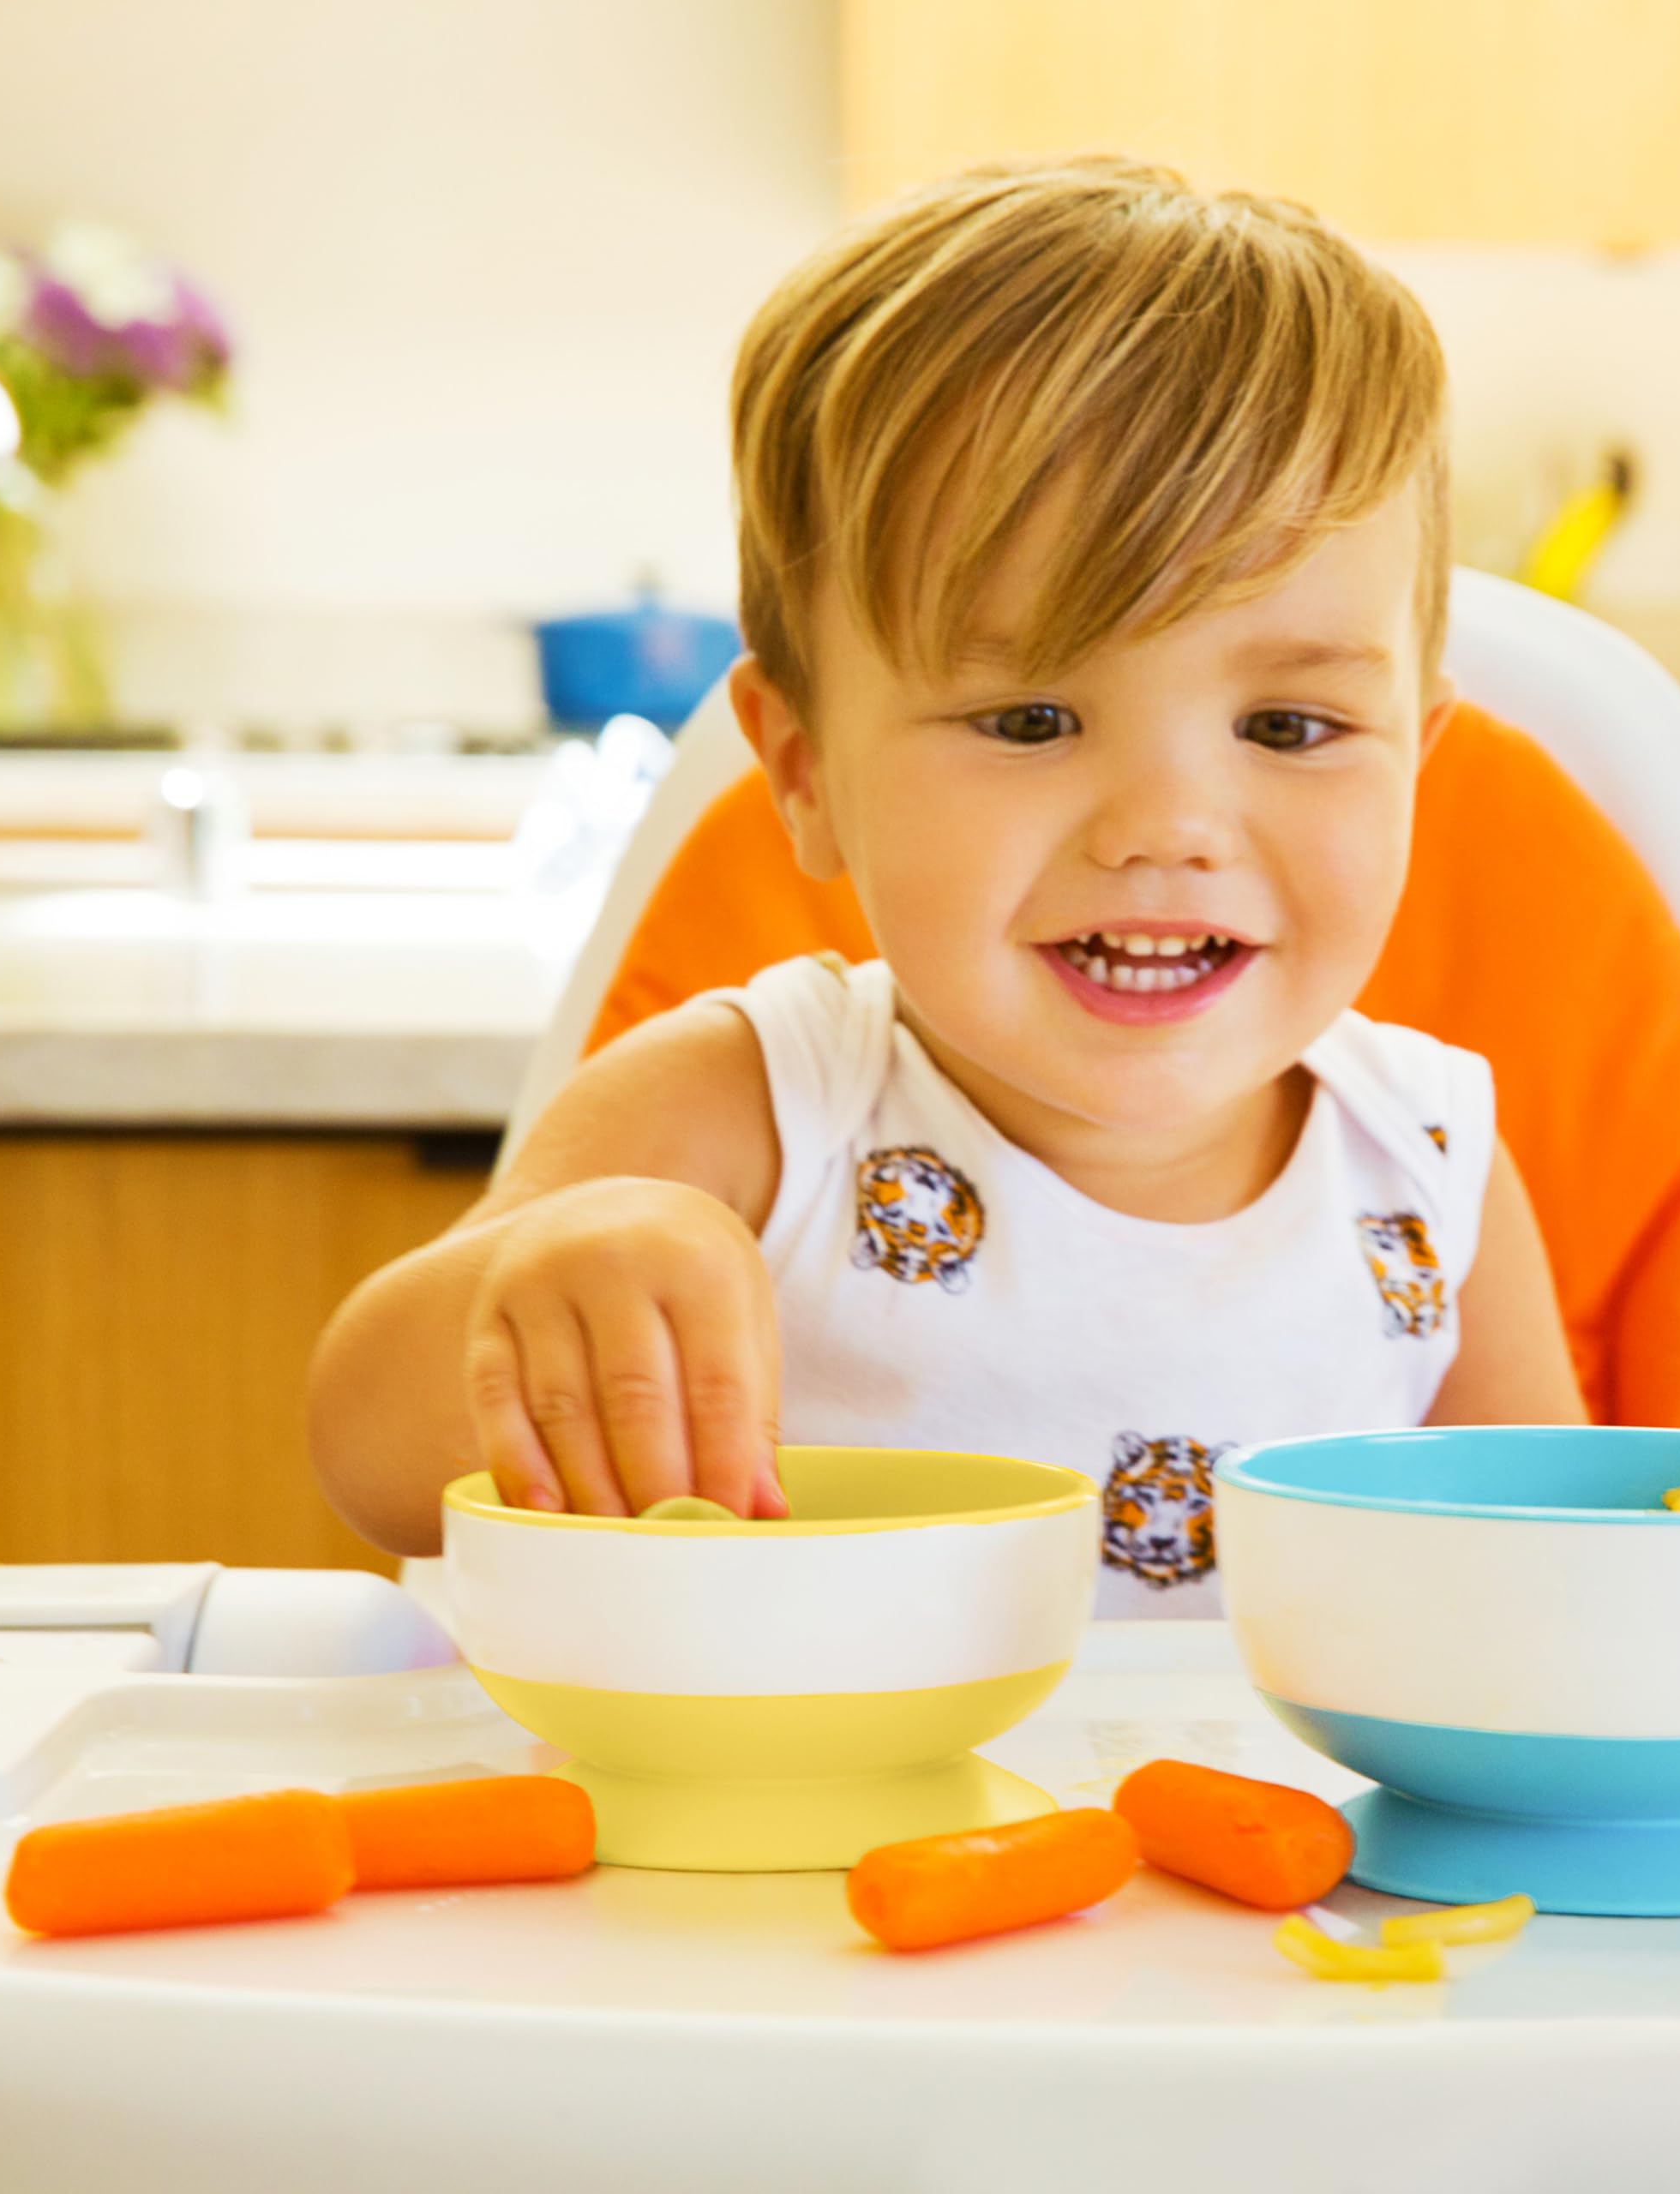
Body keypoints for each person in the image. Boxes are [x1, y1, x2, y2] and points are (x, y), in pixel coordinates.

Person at [309, 156, 1587, 1615]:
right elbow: (369, 1459)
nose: (1169, 829)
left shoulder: (1427, 1164)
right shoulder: (745, 1117)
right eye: (1033, 720)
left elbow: (1543, 1604)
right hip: (798, 1777)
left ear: (1417, 760)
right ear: (804, 771)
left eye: (1290, 729)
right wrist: (539, 1288)